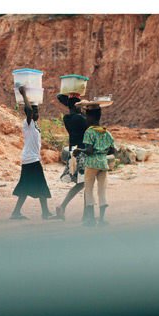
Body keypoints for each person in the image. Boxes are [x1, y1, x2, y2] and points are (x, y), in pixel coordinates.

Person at [10, 87, 54, 220]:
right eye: (36, 112)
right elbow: (28, 110)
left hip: (31, 159)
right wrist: (24, 95)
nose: (37, 114)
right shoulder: (27, 123)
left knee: (25, 186)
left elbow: (30, 111)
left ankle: (16, 213)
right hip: (31, 159)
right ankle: (45, 212)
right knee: (41, 185)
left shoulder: (34, 124)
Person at [51, 92, 91, 220]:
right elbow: (91, 127)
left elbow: (60, 97)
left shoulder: (67, 118)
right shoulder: (80, 119)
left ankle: (64, 207)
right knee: (86, 183)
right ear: (77, 106)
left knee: (83, 183)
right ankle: (84, 214)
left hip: (73, 150)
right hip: (82, 151)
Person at [80, 108, 116, 226]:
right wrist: (102, 152)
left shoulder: (89, 132)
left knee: (89, 190)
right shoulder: (106, 133)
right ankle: (101, 219)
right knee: (102, 191)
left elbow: (89, 151)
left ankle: (91, 220)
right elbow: (113, 150)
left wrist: (78, 150)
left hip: (91, 164)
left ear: (92, 117)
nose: (86, 119)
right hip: (103, 163)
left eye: (87, 117)